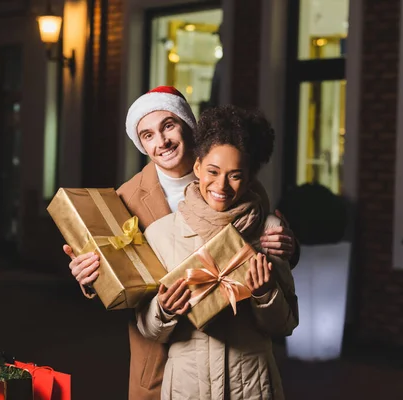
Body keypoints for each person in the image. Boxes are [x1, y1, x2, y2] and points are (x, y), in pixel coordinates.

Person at [63, 86, 298, 399]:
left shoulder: (242, 183)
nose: (161, 142)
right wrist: (90, 278)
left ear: (189, 125)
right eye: (148, 135)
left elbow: (265, 252)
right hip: (164, 360)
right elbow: (123, 278)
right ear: (141, 144)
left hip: (240, 364)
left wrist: (289, 248)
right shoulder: (125, 200)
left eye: (168, 126)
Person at [138, 105, 298, 399]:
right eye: (213, 171)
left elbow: (286, 324)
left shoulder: (269, 232)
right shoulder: (160, 234)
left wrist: (265, 294)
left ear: (250, 178)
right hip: (187, 388)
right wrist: (164, 310)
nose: (221, 185)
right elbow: (149, 331)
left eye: (235, 175)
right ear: (197, 168)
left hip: (251, 386)